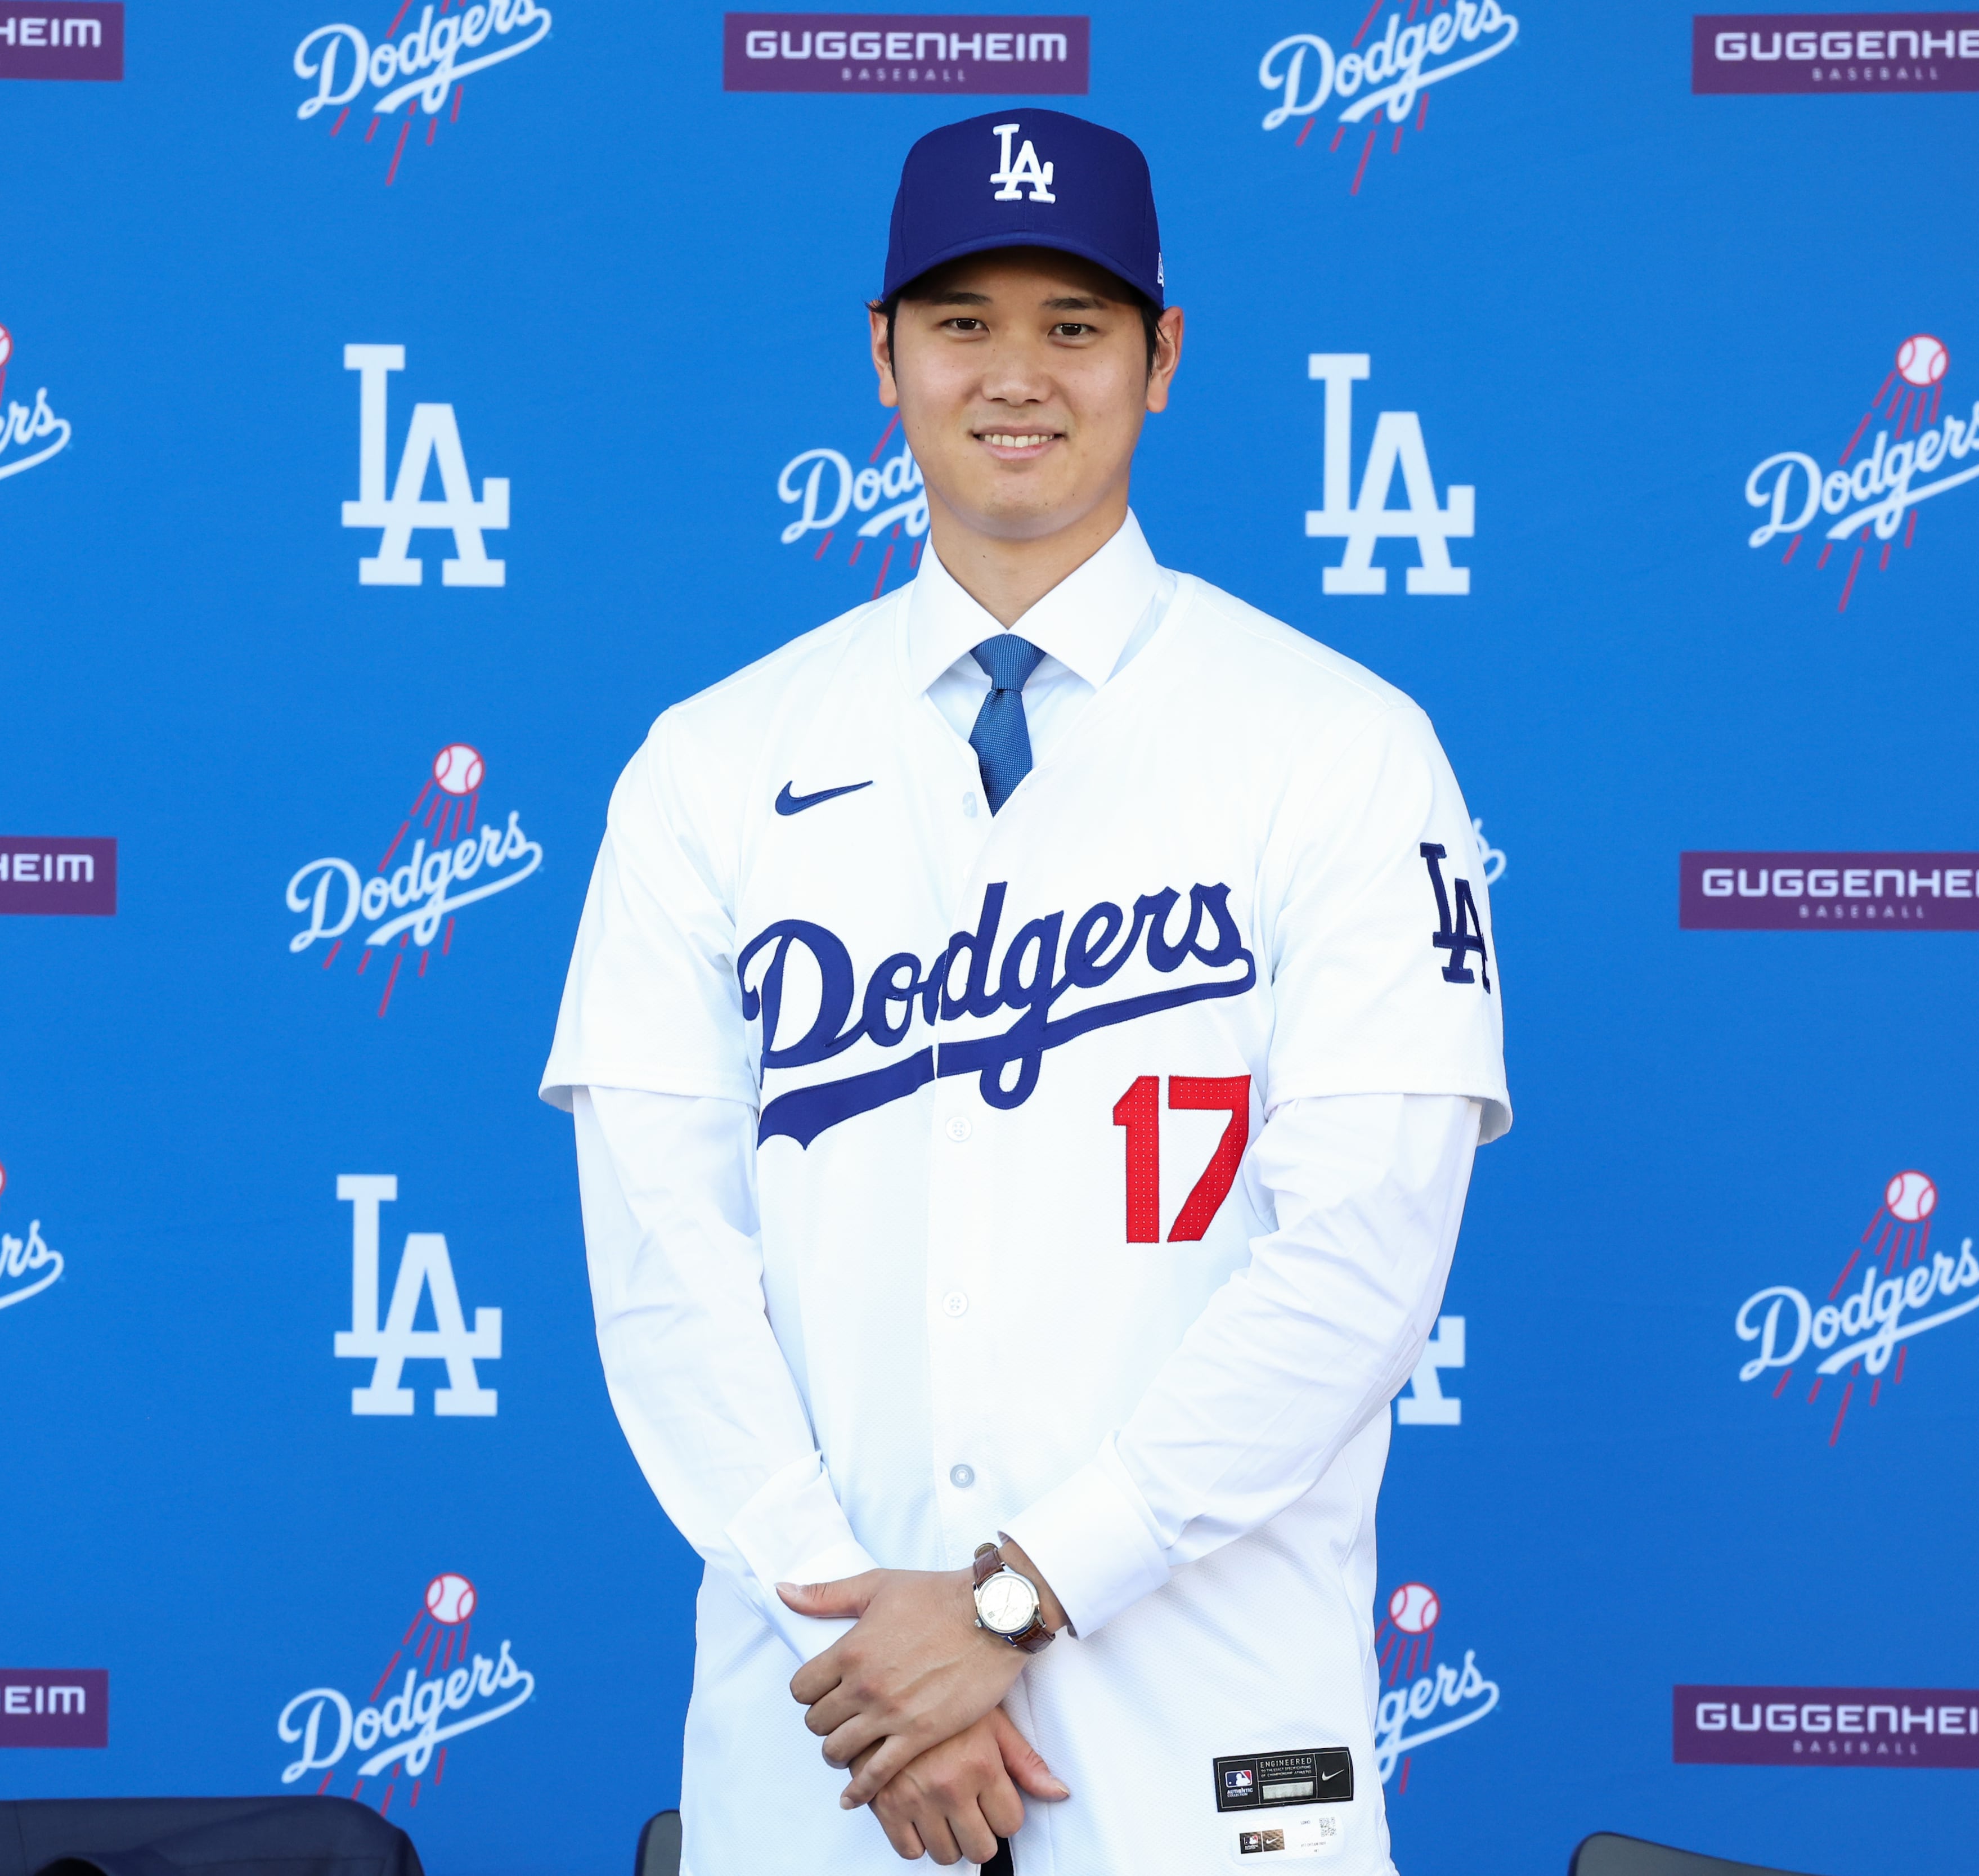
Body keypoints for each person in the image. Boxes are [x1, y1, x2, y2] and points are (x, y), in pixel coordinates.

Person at [542, 107, 1510, 1875]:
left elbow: (1361, 1257)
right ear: (883, 354)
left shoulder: (1343, 747)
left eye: (1074, 324)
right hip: (834, 1737)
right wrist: (869, 1640)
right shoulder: (713, 762)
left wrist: (1016, 1593)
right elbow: (665, 1269)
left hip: (1202, 1734)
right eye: (962, 320)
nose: (1016, 374)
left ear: (1162, 356)